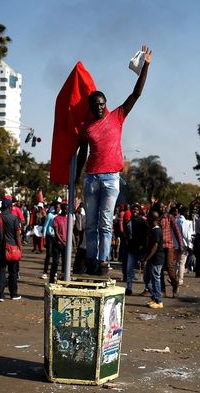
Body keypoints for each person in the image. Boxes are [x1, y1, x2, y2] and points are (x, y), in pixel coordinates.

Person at [75, 45, 153, 276]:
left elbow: (136, 94)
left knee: (105, 223)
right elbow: (81, 154)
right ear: (91, 107)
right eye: (95, 104)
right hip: (90, 179)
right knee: (90, 223)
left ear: (105, 104)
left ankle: (103, 261)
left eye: (102, 103)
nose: (99, 107)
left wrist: (146, 65)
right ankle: (90, 259)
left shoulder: (117, 116)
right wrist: (76, 179)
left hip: (110, 178)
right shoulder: (86, 128)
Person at [0, 198, 22, 301]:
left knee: (1, 271)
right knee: (13, 272)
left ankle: (1, 294)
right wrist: (20, 247)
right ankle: (13, 294)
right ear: (10, 207)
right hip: (12, 248)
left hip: (0, 249)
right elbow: (17, 236)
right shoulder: (14, 218)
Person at [142, 211, 164, 309]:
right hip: (152, 259)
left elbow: (155, 246)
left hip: (156, 259)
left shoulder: (157, 231)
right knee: (147, 279)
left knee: (155, 279)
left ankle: (159, 301)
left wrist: (147, 258)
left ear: (152, 219)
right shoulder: (152, 230)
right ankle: (154, 297)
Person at [125, 204, 147, 295]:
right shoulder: (128, 222)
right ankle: (129, 288)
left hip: (141, 249)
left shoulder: (142, 221)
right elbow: (127, 235)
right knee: (129, 269)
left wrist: (143, 245)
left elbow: (145, 235)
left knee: (145, 269)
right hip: (131, 249)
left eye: (137, 210)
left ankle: (147, 288)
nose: (135, 211)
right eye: (133, 209)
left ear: (139, 211)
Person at [50, 202, 68, 283]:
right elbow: (56, 233)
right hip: (57, 243)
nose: (66, 210)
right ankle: (51, 278)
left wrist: (74, 244)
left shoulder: (68, 219)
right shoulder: (56, 218)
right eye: (65, 209)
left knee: (65, 262)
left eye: (67, 209)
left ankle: (63, 278)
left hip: (66, 244)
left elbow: (71, 233)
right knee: (56, 262)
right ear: (62, 209)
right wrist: (62, 241)